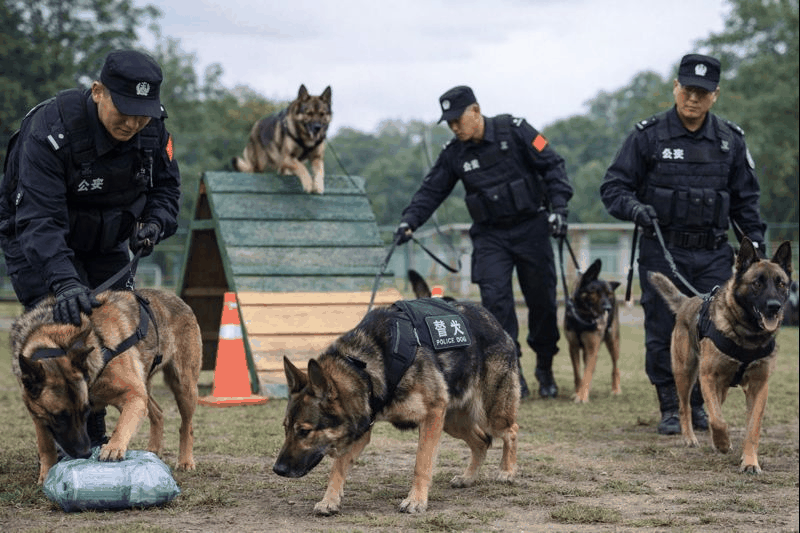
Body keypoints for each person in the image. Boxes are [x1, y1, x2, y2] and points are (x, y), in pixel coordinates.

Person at [0, 49, 182, 448]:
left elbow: (167, 191)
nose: (133, 123)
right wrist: (65, 284)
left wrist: (154, 223)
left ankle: (92, 433)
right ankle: (60, 440)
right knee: (56, 342)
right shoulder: (51, 130)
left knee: (107, 338)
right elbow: (39, 219)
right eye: (125, 110)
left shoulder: (153, 131)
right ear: (99, 91)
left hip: (106, 240)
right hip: (38, 240)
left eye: (143, 113)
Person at [600, 53, 767, 434]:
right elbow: (613, 188)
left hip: (713, 253)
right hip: (663, 250)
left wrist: (756, 251)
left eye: (702, 93)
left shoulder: (730, 141)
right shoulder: (647, 136)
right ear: (675, 88)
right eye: (687, 90)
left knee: (714, 329)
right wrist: (634, 208)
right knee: (662, 328)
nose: (693, 99)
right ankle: (671, 407)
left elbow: (746, 204)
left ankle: (702, 405)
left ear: (715, 95)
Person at [394, 85, 573, 400]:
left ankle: (544, 366)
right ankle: (512, 373)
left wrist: (559, 209)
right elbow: (431, 190)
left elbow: (553, 163)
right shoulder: (454, 154)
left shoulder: (516, 129)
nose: (454, 127)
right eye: (448, 123)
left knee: (542, 302)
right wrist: (409, 221)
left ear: (475, 111)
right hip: (491, 235)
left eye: (457, 120)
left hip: (531, 227)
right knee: (496, 303)